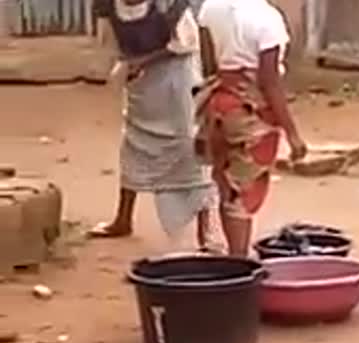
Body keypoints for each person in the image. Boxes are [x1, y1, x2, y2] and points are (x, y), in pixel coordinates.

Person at [89, 0, 212, 248]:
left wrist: (142, 61)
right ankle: (123, 219)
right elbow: (112, 44)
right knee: (134, 143)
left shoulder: (171, 5)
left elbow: (184, 43)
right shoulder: (107, 6)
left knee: (189, 147)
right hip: (142, 83)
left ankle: (205, 230)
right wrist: (122, 67)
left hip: (177, 79)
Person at [196, 0, 307, 256]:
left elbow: (209, 65)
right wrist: (292, 134)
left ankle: (233, 253)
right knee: (244, 189)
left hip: (220, 103)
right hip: (251, 111)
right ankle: (238, 260)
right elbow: (269, 82)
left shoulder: (210, 8)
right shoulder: (268, 19)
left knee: (226, 181)